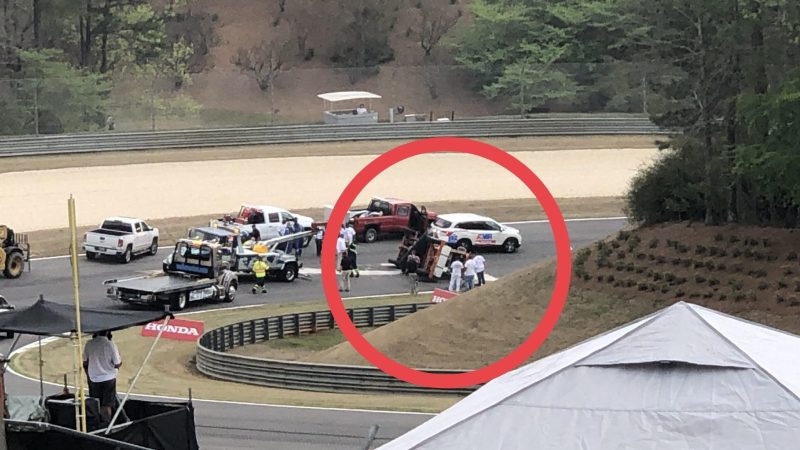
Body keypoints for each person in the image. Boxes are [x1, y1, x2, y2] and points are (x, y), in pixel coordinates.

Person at [83, 330, 122, 422]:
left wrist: (88, 375)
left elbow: (85, 361)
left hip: (93, 378)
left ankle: (97, 423)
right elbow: (118, 363)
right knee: (107, 404)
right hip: (108, 378)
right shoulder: (110, 344)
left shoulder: (89, 344)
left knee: (96, 403)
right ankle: (107, 425)